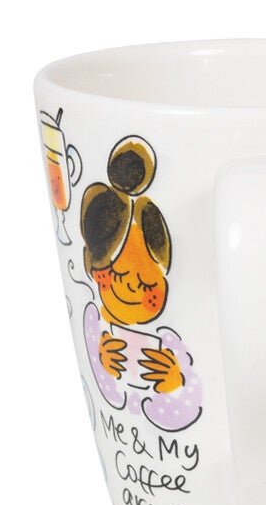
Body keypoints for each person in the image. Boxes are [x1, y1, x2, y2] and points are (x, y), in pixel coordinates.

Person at [79, 136, 202, 432]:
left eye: (148, 283)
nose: (132, 289)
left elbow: (191, 409)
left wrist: (174, 381)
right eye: (119, 275)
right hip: (123, 440)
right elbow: (109, 395)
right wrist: (103, 363)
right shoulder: (95, 324)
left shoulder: (171, 343)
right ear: (95, 269)